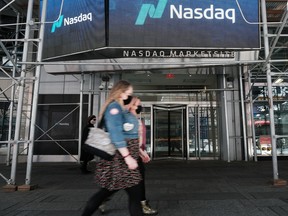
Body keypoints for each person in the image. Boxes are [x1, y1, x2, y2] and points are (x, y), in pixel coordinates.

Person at [81, 80, 143, 216]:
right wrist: (127, 158)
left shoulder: (120, 108)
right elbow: (116, 135)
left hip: (123, 158)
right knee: (131, 193)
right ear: (121, 92)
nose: (129, 96)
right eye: (128, 93)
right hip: (120, 159)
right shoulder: (114, 108)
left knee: (110, 191)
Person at [132, 97, 158, 215]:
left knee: (136, 181)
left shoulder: (137, 120)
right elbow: (131, 140)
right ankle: (143, 205)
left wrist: (142, 151)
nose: (140, 105)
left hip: (136, 155)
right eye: (138, 103)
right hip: (131, 156)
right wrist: (142, 153)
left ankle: (143, 204)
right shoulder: (131, 120)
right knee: (135, 181)